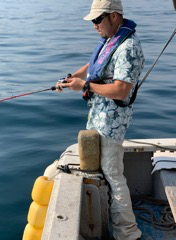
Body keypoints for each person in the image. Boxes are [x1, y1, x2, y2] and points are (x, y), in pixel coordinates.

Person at [55, 0, 145, 239]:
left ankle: (127, 232)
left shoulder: (128, 48)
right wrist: (72, 77)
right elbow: (94, 64)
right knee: (105, 173)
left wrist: (84, 85)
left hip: (112, 124)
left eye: (97, 20)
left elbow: (121, 90)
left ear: (114, 16)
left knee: (114, 175)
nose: (94, 25)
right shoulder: (110, 39)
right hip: (98, 117)